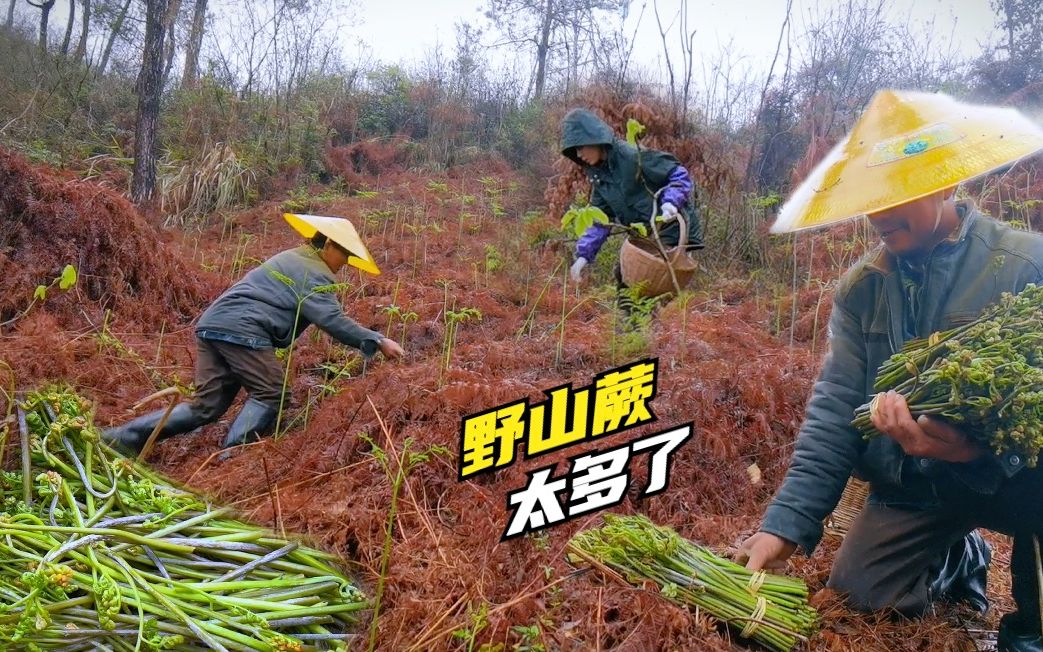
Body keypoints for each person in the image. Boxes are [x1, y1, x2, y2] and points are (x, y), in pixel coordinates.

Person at [734, 89, 1043, 652]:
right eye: (873, 197)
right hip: (915, 488)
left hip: (1016, 481)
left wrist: (970, 451)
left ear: (946, 182)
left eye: (900, 194)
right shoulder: (863, 289)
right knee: (861, 593)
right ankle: (957, 555)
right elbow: (834, 410)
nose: (880, 213)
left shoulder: (1025, 268)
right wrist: (786, 523)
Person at [104, 213, 404, 456]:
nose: (347, 262)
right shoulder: (314, 271)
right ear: (327, 246)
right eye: (345, 254)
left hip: (215, 325)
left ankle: (122, 439)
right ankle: (232, 457)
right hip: (241, 330)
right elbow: (331, 319)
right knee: (272, 393)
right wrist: (377, 340)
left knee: (205, 407)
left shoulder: (295, 258)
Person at [559, 108, 704, 295]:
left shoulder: (631, 156)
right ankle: (635, 324)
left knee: (647, 285)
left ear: (593, 139)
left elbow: (678, 173)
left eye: (580, 147)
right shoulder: (599, 178)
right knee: (624, 277)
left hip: (671, 226)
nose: (578, 155)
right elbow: (600, 220)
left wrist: (671, 202)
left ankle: (657, 323)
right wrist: (583, 256)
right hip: (646, 234)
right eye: (574, 151)